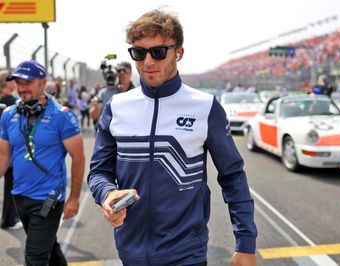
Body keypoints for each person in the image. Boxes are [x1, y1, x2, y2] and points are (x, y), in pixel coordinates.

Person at [87, 9, 257, 266]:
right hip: (129, 252)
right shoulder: (116, 106)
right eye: (138, 53)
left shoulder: (205, 106)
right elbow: (98, 171)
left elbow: (233, 175)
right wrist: (107, 194)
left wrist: (245, 244)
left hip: (186, 255)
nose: (147, 62)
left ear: (179, 52)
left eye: (158, 52)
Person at [0, 60, 85, 265]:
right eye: (19, 83)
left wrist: (73, 198)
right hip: (19, 195)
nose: (22, 88)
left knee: (35, 257)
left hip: (49, 198)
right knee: (50, 248)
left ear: (43, 83)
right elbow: (4, 154)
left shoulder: (62, 116)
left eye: (28, 83)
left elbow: (79, 158)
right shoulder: (9, 114)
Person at [0, 70, 23, 230]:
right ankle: (9, 219)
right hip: (7, 146)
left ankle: (10, 217)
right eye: (11, 78)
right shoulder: (8, 100)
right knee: (11, 183)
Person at [89, 61, 134, 128]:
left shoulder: (135, 94)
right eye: (120, 72)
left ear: (130, 74)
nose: (123, 75)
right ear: (116, 74)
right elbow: (93, 117)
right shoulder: (105, 92)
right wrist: (96, 107)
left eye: (126, 72)